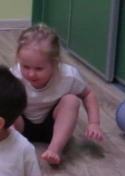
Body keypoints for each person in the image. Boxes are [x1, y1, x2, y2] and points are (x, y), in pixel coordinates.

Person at [11, 24, 103, 165]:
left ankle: (55, 149)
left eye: (39, 68)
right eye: (25, 67)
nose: (31, 74)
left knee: (71, 100)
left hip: (53, 128)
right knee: (4, 104)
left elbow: (88, 95)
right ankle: (12, 149)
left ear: (55, 63)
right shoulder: (14, 76)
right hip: (21, 126)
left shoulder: (68, 76)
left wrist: (94, 123)